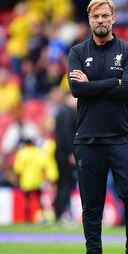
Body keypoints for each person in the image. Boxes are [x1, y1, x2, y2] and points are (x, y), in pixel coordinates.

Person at [67, 0, 128, 254]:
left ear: (113, 18)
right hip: (88, 138)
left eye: (104, 16)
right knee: (91, 205)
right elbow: (77, 91)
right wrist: (111, 83)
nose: (100, 21)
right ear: (89, 20)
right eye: (95, 17)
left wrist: (94, 85)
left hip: (123, 136)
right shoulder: (77, 52)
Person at [54, 91, 77, 224]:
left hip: (59, 152)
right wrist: (72, 152)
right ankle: (60, 213)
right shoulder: (68, 113)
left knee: (62, 184)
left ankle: (59, 212)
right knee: (66, 184)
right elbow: (67, 135)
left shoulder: (61, 111)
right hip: (65, 153)